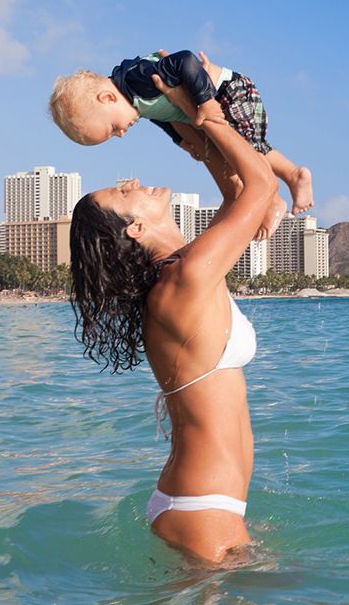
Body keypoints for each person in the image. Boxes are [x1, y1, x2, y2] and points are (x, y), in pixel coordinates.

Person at [68, 74, 279, 564]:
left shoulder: (181, 273)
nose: (133, 181)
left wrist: (203, 149)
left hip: (203, 502)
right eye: (124, 193)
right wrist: (209, 117)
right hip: (203, 508)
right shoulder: (184, 278)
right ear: (136, 228)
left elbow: (236, 198)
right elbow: (261, 185)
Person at [49, 49, 313, 223]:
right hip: (207, 103)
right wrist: (182, 142)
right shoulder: (133, 99)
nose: (120, 134)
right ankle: (289, 175)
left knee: (245, 151)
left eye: (111, 129)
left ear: (106, 98)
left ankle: (277, 190)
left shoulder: (136, 79)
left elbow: (185, 60)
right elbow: (161, 116)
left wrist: (206, 101)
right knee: (238, 153)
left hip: (228, 91)